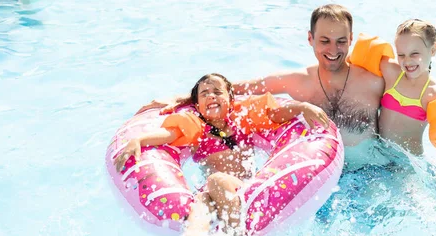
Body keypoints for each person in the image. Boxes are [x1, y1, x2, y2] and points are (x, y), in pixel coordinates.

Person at [136, 4, 393, 171]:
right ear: (310, 39)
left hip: (371, 172)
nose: (333, 50)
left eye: (341, 41)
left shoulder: (373, 81)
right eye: (324, 40)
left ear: (350, 40)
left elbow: (417, 92)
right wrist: (185, 98)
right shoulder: (298, 81)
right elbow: (238, 88)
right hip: (322, 174)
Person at [114, 73, 329, 236]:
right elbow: (169, 136)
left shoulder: (243, 120)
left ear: (230, 100)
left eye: (218, 92)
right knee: (201, 201)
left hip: (243, 187)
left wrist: (303, 107)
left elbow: (275, 114)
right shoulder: (197, 129)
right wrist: (140, 140)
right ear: (197, 106)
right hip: (214, 193)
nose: (211, 96)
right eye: (205, 94)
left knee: (215, 181)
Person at [377, 19, 436, 191]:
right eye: (401, 55)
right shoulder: (391, 74)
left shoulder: (433, 94)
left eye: (414, 53)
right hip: (379, 154)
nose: (407, 61)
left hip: (408, 164)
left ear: (433, 50)